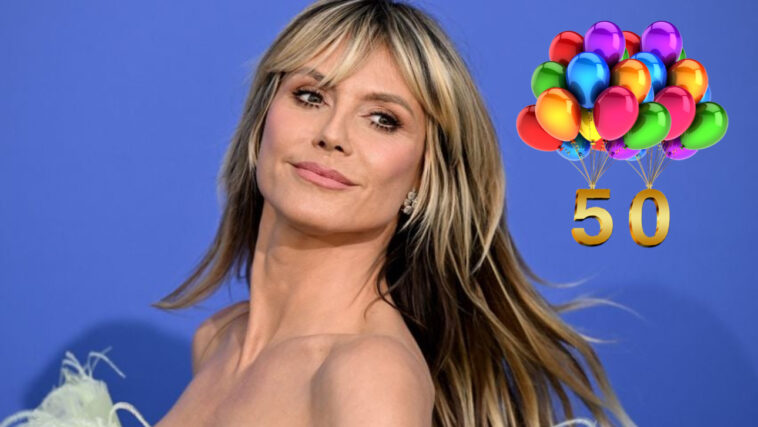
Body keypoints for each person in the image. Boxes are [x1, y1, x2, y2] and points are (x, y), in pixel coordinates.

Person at [152, 1, 637, 426]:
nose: (332, 133)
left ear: (423, 178)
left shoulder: (370, 372)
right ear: (262, 121)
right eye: (310, 96)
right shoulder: (217, 340)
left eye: (383, 120)